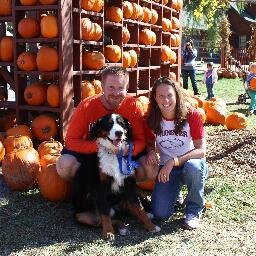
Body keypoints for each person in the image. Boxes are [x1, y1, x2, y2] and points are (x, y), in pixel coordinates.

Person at [56, 66, 156, 225]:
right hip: (92, 155)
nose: (116, 93)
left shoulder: (134, 105)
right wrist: (101, 147)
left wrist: (128, 149)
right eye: (111, 87)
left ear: (127, 88)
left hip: (122, 152)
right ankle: (87, 195)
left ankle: (124, 196)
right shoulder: (86, 106)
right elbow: (71, 140)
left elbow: (140, 140)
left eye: (120, 88)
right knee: (64, 165)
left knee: (151, 167)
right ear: (102, 87)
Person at [145, 77, 208, 229]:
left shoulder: (191, 114)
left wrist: (173, 160)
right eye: (161, 96)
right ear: (155, 98)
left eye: (169, 95)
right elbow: (149, 144)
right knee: (160, 214)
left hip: (190, 163)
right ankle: (175, 193)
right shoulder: (151, 118)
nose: (165, 100)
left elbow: (201, 151)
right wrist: (151, 152)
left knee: (194, 167)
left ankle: (194, 209)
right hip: (167, 170)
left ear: (176, 95)